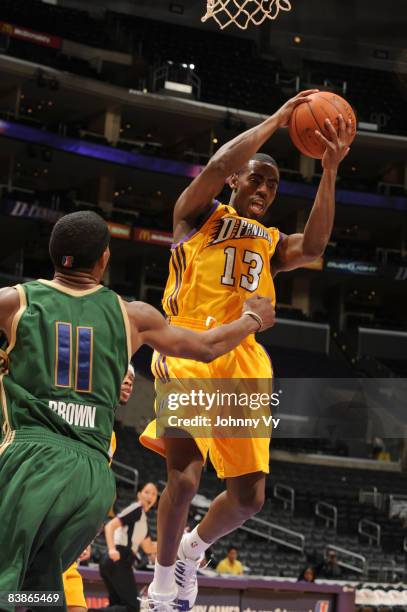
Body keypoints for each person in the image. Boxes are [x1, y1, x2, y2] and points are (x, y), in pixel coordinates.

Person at [140, 90, 353, 610]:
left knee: (248, 498)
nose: (263, 187)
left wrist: (329, 169)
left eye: (273, 184)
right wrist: (279, 118)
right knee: (185, 477)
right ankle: (163, 585)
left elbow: (318, 246)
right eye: (255, 177)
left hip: (244, 357)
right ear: (236, 180)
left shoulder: (272, 242)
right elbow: (216, 163)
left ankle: (193, 550)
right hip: (187, 344)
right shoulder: (195, 216)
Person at [0, 210, 275, 608]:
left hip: (32, 460)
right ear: (104, 259)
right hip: (92, 477)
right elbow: (206, 348)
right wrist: (251, 318)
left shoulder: (15, 300)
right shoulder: (133, 316)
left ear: (52, 253)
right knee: (41, 589)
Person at [62, 365, 136, 612]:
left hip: (69, 533)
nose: (128, 383)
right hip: (50, 520)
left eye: (132, 380)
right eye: (122, 377)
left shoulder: (110, 437)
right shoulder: (78, 415)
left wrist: (84, 531)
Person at [96, 483, 158, 612]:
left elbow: (149, 548)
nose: (150, 496)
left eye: (154, 494)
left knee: (117, 605)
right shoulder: (136, 508)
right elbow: (110, 526)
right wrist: (112, 549)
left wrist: (175, 544)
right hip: (118, 559)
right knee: (132, 608)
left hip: (119, 562)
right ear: (139, 494)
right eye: (147, 492)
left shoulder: (143, 519)